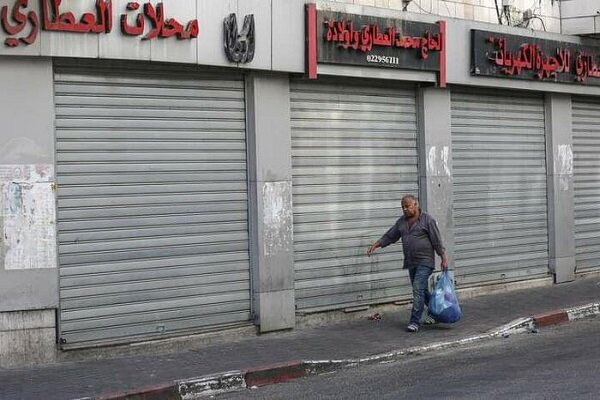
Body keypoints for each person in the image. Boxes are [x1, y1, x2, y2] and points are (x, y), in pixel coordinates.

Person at [367, 194, 448, 333]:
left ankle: (414, 321)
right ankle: (437, 312)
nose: (404, 209)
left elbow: (436, 240)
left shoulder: (427, 220)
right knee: (421, 291)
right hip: (411, 262)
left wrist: (443, 258)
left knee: (417, 288)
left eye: (407, 206)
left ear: (415, 205)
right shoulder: (402, 222)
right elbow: (390, 236)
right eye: (402, 207)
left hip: (425, 261)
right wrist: (376, 244)